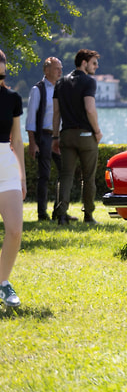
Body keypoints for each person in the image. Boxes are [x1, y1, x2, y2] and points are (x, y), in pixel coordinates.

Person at [52, 49, 103, 225]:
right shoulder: (89, 82)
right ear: (84, 63)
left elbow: (56, 113)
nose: (96, 66)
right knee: (88, 177)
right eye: (94, 63)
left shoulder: (60, 83)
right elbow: (90, 108)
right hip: (85, 135)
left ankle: (61, 216)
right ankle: (88, 216)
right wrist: (97, 131)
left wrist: (55, 137)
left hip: (66, 134)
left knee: (65, 175)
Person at [0, 49, 26, 307]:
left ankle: (3, 282)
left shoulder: (12, 98)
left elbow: (17, 139)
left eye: (3, 61)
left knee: (15, 230)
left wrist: (22, 177)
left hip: (6, 165)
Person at [26, 57, 65, 222]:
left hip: (59, 137)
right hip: (44, 137)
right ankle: (42, 214)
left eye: (60, 68)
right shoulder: (38, 90)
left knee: (65, 173)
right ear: (47, 70)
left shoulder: (62, 88)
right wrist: (32, 143)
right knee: (45, 176)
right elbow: (30, 119)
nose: (60, 72)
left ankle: (59, 210)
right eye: (57, 68)